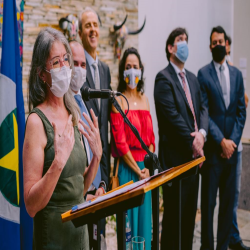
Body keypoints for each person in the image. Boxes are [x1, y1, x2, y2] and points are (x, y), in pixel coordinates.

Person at [23, 27, 102, 249]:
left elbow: (80, 188)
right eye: (56, 62)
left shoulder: (72, 113)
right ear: (41, 73)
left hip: (79, 235)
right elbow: (31, 205)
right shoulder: (36, 122)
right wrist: (57, 162)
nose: (65, 67)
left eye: (66, 59)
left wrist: (96, 156)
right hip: (53, 238)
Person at [154, 27, 208, 250]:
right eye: (180, 40)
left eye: (186, 39)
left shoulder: (193, 79)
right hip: (175, 161)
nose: (184, 43)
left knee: (188, 220)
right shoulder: (163, 78)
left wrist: (202, 135)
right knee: (173, 221)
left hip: (193, 161)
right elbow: (172, 118)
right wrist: (193, 140)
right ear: (170, 47)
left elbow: (203, 108)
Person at [198, 26, 246, 250]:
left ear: (227, 44)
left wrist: (232, 142)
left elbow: (240, 111)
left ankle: (223, 246)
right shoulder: (203, 74)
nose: (218, 45)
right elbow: (204, 112)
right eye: (214, 42)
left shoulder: (237, 75)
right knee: (208, 206)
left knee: (228, 206)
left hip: (232, 153)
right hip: (213, 153)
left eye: (221, 41)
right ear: (210, 47)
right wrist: (221, 141)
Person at [110, 47, 154, 250]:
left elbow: (151, 139)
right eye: (128, 67)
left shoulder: (145, 99)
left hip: (146, 171)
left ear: (141, 70)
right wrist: (138, 171)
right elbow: (120, 143)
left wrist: (148, 168)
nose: (132, 71)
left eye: (136, 67)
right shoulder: (118, 101)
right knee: (128, 229)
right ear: (122, 71)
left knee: (144, 226)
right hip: (129, 171)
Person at [78, 7, 111, 195]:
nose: (92, 29)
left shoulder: (105, 69)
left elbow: (104, 126)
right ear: (80, 32)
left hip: (102, 166)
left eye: (95, 25)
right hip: (84, 169)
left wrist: (105, 180)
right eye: (87, 25)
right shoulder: (77, 68)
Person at [225, 35, 250, 250]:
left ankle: (232, 235)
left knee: (234, 194)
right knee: (225, 197)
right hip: (223, 146)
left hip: (237, 145)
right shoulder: (216, 74)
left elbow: (245, 102)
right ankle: (230, 236)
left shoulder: (235, 74)